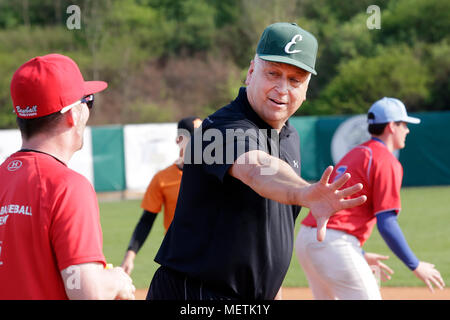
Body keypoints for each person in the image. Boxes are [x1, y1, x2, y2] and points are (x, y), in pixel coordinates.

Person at [146, 22, 367, 300]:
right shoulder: (221, 127)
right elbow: (256, 169)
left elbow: (272, 237)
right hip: (196, 292)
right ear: (251, 72)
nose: (282, 88)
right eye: (273, 73)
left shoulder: (290, 138)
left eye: (295, 80)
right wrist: (303, 192)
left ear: (306, 89)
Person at [0, 54, 135, 300]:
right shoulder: (67, 187)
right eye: (88, 101)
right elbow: (87, 294)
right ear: (73, 114)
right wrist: (116, 281)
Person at [296, 97, 446, 300]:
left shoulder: (356, 153)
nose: (407, 130)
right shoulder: (385, 160)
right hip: (333, 243)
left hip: (308, 239)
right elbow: (387, 222)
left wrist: (361, 254)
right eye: (404, 124)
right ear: (392, 126)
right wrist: (415, 264)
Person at [121, 116, 202, 275]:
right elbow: (146, 221)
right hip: (178, 254)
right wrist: (130, 255)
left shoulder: (214, 174)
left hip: (208, 253)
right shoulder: (162, 179)